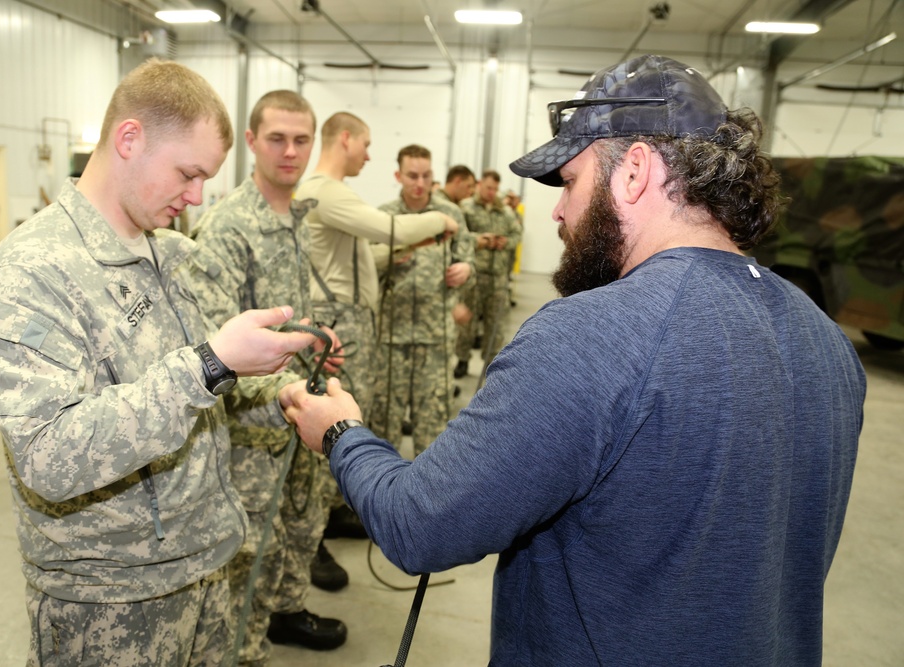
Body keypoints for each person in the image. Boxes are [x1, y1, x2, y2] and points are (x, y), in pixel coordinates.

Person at [280, 54, 866, 665]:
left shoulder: (589, 336)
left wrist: (341, 434)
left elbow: (418, 524)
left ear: (634, 171)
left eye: (571, 182)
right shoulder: (826, 342)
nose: (558, 212)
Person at [0, 59, 316, 666]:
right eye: (187, 173)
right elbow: (49, 455)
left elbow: (202, 399)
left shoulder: (162, 253)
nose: (197, 197)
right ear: (129, 139)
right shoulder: (29, 276)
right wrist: (208, 365)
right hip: (110, 606)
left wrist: (281, 397)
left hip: (202, 568)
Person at [184, 90, 347, 663]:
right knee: (242, 569)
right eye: (276, 138)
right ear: (251, 142)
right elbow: (209, 351)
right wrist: (283, 390)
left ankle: (282, 616)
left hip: (293, 420)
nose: (290, 151)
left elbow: (283, 317)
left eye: (302, 139)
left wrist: (314, 346)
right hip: (250, 436)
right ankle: (245, 654)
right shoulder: (229, 227)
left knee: (290, 538)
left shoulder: (296, 216)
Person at [295, 113, 458, 538]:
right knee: (333, 417)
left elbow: (369, 253)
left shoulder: (335, 193)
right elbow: (388, 229)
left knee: (350, 411)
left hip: (353, 319)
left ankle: (332, 508)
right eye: (365, 145)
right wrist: (441, 221)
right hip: (337, 321)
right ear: (345, 139)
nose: (368, 155)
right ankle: (319, 523)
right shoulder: (323, 193)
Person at [370, 145, 474, 455]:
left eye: (426, 176)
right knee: (383, 423)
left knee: (432, 426)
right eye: (412, 176)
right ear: (398, 175)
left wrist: (466, 269)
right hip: (391, 338)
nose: (419, 183)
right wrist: (389, 258)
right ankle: (378, 495)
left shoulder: (450, 215)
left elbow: (469, 258)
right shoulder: (384, 217)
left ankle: (426, 499)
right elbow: (365, 269)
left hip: (436, 338)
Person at [453, 170, 521, 379]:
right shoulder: (466, 208)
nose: (492, 192)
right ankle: (462, 360)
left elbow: (516, 234)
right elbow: (459, 235)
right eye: (488, 187)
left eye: (495, 189)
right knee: (468, 324)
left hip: (498, 277)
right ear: (480, 184)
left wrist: (505, 242)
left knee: (495, 324)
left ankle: (489, 363)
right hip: (475, 274)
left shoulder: (505, 212)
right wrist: (481, 239)